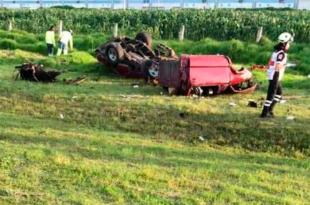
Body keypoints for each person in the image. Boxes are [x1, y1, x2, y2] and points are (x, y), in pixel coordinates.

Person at [260, 32, 293, 118]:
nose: (289, 45)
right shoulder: (282, 53)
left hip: (272, 75)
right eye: (288, 43)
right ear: (285, 43)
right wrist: (286, 65)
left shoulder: (276, 52)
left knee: (278, 94)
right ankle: (264, 113)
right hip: (275, 75)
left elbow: (270, 63)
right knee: (271, 94)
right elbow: (278, 66)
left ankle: (270, 110)